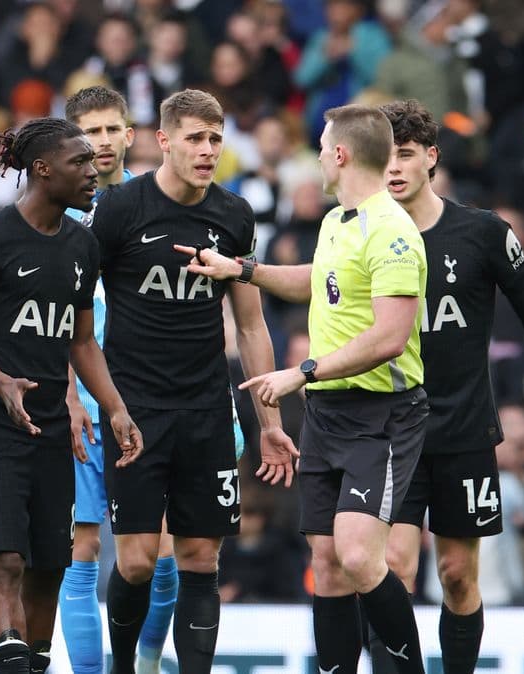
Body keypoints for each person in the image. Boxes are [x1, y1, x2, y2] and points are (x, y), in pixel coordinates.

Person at [180, 104, 429, 673]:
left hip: (380, 413)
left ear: (340, 154)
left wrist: (303, 371)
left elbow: (391, 337)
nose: (316, 155)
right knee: (328, 559)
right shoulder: (337, 220)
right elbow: (319, 282)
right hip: (327, 413)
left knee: (362, 556)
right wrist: (242, 270)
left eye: (321, 146)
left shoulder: (392, 230)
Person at [369, 100, 524, 674]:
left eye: (406, 155)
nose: (394, 168)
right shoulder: (359, 235)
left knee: (458, 576)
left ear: (430, 158)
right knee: (392, 569)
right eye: (384, 156)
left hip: (464, 430)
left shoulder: (483, 232)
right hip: (391, 432)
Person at [89, 89, 297, 674]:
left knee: (201, 558)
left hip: (207, 406)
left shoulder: (233, 215)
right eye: (195, 139)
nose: (207, 150)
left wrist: (269, 421)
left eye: (216, 139)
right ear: (164, 141)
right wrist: (79, 398)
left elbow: (252, 325)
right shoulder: (121, 209)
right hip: (135, 408)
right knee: (134, 563)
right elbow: (77, 313)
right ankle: (124, 667)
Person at [0, 116, 143, 674]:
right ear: (42, 170)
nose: (92, 169)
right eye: (79, 162)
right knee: (4, 560)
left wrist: (116, 408)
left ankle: (33, 662)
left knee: (51, 565)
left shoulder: (82, 245)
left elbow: (81, 341)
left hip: (53, 426)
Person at [56, 85, 172, 674]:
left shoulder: (160, 201)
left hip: (154, 393)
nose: (101, 142)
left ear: (131, 135)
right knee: (81, 547)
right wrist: (64, 392)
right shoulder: (52, 211)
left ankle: (146, 665)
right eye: (89, 133)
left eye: (111, 130)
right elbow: (43, 317)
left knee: (162, 553)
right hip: (80, 397)